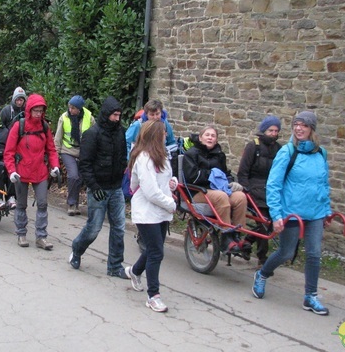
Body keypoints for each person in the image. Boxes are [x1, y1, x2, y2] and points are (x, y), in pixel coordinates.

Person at [252, 111, 333, 316]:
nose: (299, 128)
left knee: (314, 253)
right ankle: (262, 274)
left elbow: (323, 184)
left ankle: (310, 296)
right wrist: (277, 215)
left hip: (315, 212)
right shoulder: (288, 152)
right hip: (292, 212)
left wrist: (326, 210)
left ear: (311, 129)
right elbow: (274, 184)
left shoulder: (320, 153)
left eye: (303, 125)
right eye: (296, 124)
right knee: (286, 253)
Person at [69, 96, 129, 279]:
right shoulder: (92, 134)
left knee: (119, 227)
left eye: (119, 115)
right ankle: (77, 250)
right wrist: (94, 187)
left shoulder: (121, 133)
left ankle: (115, 265)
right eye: (114, 115)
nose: (117, 119)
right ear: (106, 114)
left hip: (116, 187)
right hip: (98, 189)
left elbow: (122, 157)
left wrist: (121, 175)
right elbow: (85, 164)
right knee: (94, 228)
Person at [125, 120, 178, 313]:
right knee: (157, 252)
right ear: (156, 135)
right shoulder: (144, 158)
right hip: (146, 213)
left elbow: (166, 179)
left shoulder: (162, 156)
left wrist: (172, 183)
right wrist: (171, 203)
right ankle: (153, 296)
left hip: (160, 211)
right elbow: (149, 191)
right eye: (163, 133)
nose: (166, 135)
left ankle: (134, 271)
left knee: (154, 248)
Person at [182, 125, 249, 255]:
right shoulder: (191, 154)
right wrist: (211, 175)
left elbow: (225, 174)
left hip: (219, 190)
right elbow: (191, 177)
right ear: (200, 137)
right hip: (198, 192)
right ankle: (226, 236)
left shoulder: (219, 155)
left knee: (240, 197)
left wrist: (231, 182)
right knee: (221, 196)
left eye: (213, 136)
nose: (210, 138)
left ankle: (236, 235)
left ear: (216, 140)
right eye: (207, 135)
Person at [4, 94, 60, 250]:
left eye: (41, 111)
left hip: (40, 171)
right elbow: (8, 151)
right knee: (21, 204)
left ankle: (41, 237)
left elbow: (51, 149)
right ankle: (21, 234)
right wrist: (11, 171)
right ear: (29, 110)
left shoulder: (44, 127)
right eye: (36, 110)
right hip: (21, 171)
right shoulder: (19, 126)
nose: (38, 114)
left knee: (42, 204)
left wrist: (54, 166)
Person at [237, 116, 282, 267]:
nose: (274, 133)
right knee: (264, 222)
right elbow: (243, 172)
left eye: (276, 131)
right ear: (264, 131)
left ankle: (248, 241)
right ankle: (262, 258)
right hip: (254, 188)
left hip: (271, 189)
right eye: (271, 130)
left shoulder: (279, 149)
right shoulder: (253, 147)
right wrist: (247, 189)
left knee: (270, 222)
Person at [54, 95, 95, 216]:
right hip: (68, 150)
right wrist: (56, 153)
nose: (70, 110)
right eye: (69, 107)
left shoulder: (89, 118)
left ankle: (76, 204)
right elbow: (58, 136)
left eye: (73, 108)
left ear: (80, 109)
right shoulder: (64, 117)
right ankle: (71, 204)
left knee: (80, 178)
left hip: (83, 152)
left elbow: (95, 134)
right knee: (73, 176)